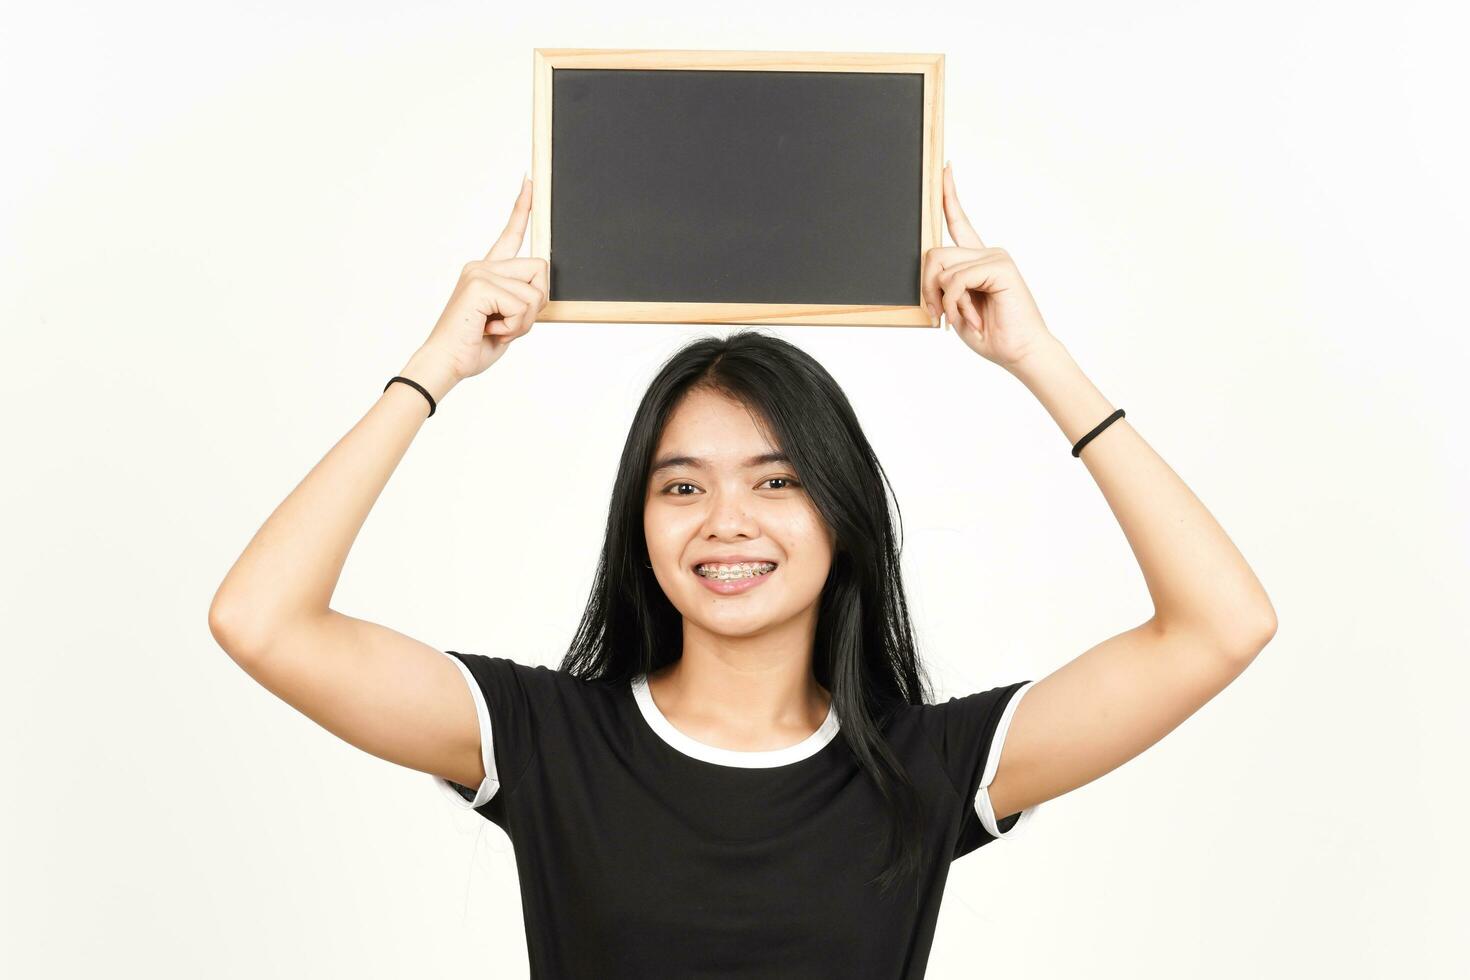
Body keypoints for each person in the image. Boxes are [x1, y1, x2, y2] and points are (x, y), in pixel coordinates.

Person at [208, 164, 1277, 978]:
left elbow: (1221, 624)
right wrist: (436, 364)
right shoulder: (544, 738)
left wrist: (1038, 356)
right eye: (681, 487)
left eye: (775, 482)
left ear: (844, 516)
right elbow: (262, 619)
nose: (727, 523)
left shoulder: (929, 767)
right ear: (640, 525)